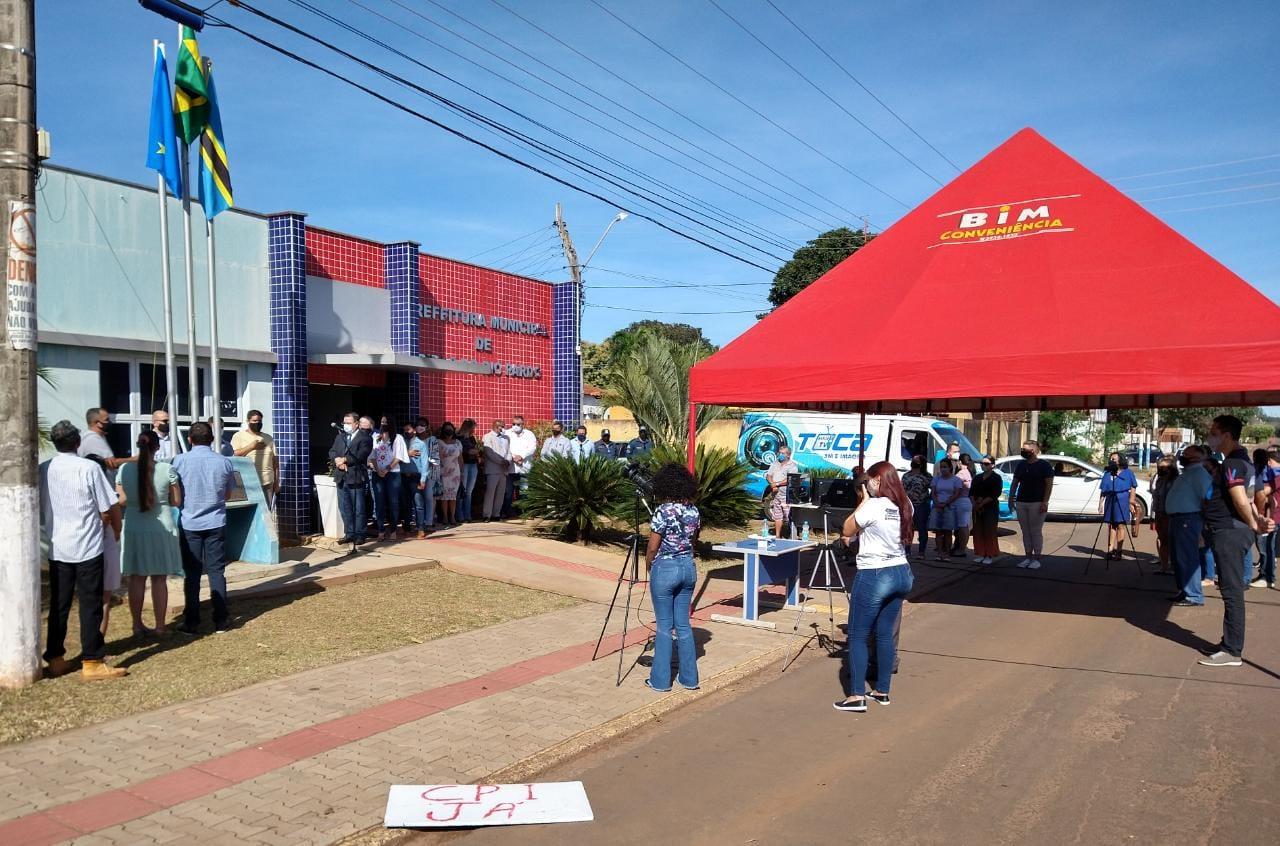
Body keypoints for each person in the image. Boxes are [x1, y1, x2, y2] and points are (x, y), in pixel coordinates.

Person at [39, 420, 127, 680]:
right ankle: (92, 660)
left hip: (57, 546)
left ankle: (55, 658)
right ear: (77, 442)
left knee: (59, 605)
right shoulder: (89, 468)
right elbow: (107, 505)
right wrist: (116, 528)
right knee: (91, 605)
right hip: (88, 546)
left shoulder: (45, 468)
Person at [834, 461, 915, 712]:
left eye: (869, 479)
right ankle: (882, 690)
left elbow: (847, 529)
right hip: (901, 571)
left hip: (875, 573)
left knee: (858, 635)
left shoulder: (874, 505)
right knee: (884, 634)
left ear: (878, 480)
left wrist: (864, 500)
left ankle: (856, 696)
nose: (866, 483)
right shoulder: (905, 504)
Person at [1198, 415, 1273, 667]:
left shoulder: (1232, 462)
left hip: (1229, 532)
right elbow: (1254, 498)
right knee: (1230, 590)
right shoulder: (1245, 462)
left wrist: (1254, 523)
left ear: (1227, 435)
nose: (1211, 436)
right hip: (1234, 530)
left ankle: (1232, 651)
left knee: (1231, 592)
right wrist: (1257, 521)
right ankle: (1228, 642)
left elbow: (1241, 498)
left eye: (1214, 432)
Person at [172, 422, 236, 634]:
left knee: (192, 573)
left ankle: (191, 621)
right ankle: (221, 619)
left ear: (189, 439)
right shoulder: (224, 462)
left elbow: (175, 493)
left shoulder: (179, 461)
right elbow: (228, 494)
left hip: (190, 522)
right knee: (217, 570)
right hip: (216, 521)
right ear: (212, 439)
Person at [118, 430, 182, 636]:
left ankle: (137, 625)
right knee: (159, 578)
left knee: (137, 578)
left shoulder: (124, 469)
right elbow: (176, 501)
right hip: (161, 526)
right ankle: (160, 626)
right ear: (157, 447)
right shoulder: (167, 469)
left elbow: (122, 500)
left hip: (134, 526)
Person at [644, 463, 702, 693]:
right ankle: (689, 679)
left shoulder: (663, 510)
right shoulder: (694, 511)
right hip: (688, 567)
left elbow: (652, 546)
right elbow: (694, 541)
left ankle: (660, 681)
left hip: (666, 567)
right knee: (684, 625)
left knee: (664, 627)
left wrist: (649, 564)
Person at [79, 407, 127, 639]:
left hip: (94, 524)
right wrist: (135, 459)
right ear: (96, 422)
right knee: (103, 591)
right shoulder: (93, 443)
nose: (109, 424)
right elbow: (111, 465)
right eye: (106, 421)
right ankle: (95, 643)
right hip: (103, 519)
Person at [1166, 445, 1211, 607]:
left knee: (1187, 557)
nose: (1182, 457)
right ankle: (1184, 590)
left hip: (1188, 519)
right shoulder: (1188, 473)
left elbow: (1207, 497)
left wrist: (1204, 521)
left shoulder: (1199, 474)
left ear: (1197, 458)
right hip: (1178, 519)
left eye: (1186, 455)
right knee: (1178, 558)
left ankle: (1193, 595)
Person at [329, 412, 373, 545]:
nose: (346, 425)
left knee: (358, 508)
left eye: (349, 423)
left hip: (355, 476)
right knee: (344, 507)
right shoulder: (340, 437)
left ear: (356, 424)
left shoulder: (365, 438)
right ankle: (349, 533)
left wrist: (345, 460)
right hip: (341, 476)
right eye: (344, 423)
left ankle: (360, 534)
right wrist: (337, 460)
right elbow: (332, 451)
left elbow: (361, 455)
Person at [1009, 440, 1054, 570]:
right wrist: (1011, 498)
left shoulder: (1044, 466)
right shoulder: (1021, 465)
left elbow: (1048, 485)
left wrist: (1045, 502)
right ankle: (1027, 557)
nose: (1022, 451)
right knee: (1025, 530)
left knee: (1035, 530)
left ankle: (1037, 558)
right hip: (1022, 501)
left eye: (1025, 449)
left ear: (1033, 450)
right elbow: (1015, 482)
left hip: (1037, 502)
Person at [231, 409, 279, 509]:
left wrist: (277, 482)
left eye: (259, 421)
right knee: (251, 510)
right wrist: (252, 447)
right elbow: (235, 454)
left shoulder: (268, 438)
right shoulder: (238, 436)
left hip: (267, 481)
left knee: (267, 510)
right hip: (248, 482)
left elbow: (275, 461)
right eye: (255, 421)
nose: (257, 423)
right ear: (248, 421)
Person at [1100, 452, 1139, 561]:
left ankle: (1119, 550)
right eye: (1111, 459)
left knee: (1121, 525)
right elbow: (1103, 490)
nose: (1112, 460)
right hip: (1110, 500)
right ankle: (1110, 549)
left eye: (1114, 459)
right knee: (1111, 525)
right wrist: (1100, 503)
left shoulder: (1128, 473)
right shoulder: (1107, 473)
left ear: (1120, 460)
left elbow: (1133, 487)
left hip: (1122, 500)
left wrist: (1131, 501)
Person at [369, 424, 402, 541]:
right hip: (377, 474)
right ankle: (381, 531)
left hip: (393, 474)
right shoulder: (376, 438)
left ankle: (393, 530)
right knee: (379, 503)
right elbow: (372, 456)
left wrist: (387, 469)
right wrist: (378, 470)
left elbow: (398, 457)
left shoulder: (398, 438)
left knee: (393, 502)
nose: (383, 424)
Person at [970, 455, 1003, 564]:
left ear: (992, 465)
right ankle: (980, 553)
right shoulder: (977, 477)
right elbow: (971, 492)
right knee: (978, 530)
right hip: (977, 507)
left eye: (986, 464)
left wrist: (982, 503)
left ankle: (989, 554)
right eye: (982, 463)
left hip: (990, 507)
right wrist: (975, 503)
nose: (983, 465)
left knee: (989, 531)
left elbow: (995, 494)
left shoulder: (996, 478)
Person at [1253, 446, 1278, 589]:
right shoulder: (1271, 474)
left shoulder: (1275, 475)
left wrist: (1260, 514)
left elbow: (1263, 493)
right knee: (1266, 547)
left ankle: (1267, 576)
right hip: (1270, 515)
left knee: (1266, 547)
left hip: (1271, 517)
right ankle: (1265, 574)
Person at [503, 415, 538, 517]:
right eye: (513, 424)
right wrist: (513, 457)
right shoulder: (507, 433)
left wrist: (521, 456)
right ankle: (508, 513)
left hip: (524, 468)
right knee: (508, 493)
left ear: (523, 424)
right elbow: (504, 447)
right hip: (511, 468)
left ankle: (523, 513)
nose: (515, 426)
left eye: (518, 424)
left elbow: (532, 448)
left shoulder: (529, 434)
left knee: (523, 492)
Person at [929, 458, 962, 562]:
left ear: (950, 467)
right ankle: (939, 553)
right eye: (941, 467)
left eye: (945, 467)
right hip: (937, 507)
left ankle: (947, 553)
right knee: (938, 531)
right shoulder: (936, 479)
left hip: (950, 507)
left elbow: (957, 493)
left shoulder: (956, 480)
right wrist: (937, 503)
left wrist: (946, 503)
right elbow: (933, 493)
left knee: (948, 531)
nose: (943, 469)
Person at [1150, 457, 1179, 574]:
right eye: (1160, 467)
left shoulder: (1176, 481)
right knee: (1162, 540)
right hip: (1159, 513)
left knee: (1172, 541)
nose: (1161, 470)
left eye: (1164, 468)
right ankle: (1164, 566)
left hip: (1171, 514)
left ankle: (1174, 566)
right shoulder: (1159, 480)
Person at [901, 454, 932, 560]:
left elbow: (933, 488)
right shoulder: (906, 476)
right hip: (908, 506)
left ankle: (921, 552)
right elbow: (902, 490)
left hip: (922, 505)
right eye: (913, 460)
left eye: (917, 461)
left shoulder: (927, 476)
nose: (914, 462)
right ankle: (907, 551)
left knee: (922, 528)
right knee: (908, 528)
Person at [764, 445, 799, 537]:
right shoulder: (775, 463)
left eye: (783, 453)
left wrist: (777, 484)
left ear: (788, 455)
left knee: (788, 516)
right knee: (777, 516)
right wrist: (772, 484)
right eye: (779, 453)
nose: (780, 455)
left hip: (786, 496)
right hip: (776, 494)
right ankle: (778, 535)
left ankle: (791, 536)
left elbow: (790, 479)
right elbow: (768, 475)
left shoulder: (792, 466)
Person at [481, 419, 511, 521]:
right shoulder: (487, 437)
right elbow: (489, 453)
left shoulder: (506, 438)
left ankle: (496, 514)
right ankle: (487, 515)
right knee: (490, 492)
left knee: (500, 493)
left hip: (503, 470)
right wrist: (501, 461)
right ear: (495, 426)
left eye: (503, 426)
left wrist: (508, 461)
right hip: (492, 469)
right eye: (501, 426)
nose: (503, 428)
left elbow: (509, 452)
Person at [437, 422, 464, 527]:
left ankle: (452, 516)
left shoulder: (458, 443)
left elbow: (460, 458)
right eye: (447, 429)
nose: (449, 431)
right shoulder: (439, 442)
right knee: (444, 496)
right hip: (443, 471)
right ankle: (445, 517)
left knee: (453, 496)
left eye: (451, 429)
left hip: (455, 473)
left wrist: (462, 472)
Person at [951, 453, 975, 556]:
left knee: (962, 527)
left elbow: (955, 489)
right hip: (966, 501)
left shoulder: (961, 473)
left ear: (960, 462)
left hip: (960, 501)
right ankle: (961, 549)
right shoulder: (969, 472)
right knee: (964, 526)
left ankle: (961, 550)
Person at [457, 419, 480, 522]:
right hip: (464, 465)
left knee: (469, 491)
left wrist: (474, 452)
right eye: (473, 428)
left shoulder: (472, 438)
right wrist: (472, 451)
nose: (474, 430)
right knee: (462, 490)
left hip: (473, 465)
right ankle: (460, 515)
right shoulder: (459, 437)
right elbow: (465, 451)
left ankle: (467, 514)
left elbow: (475, 450)